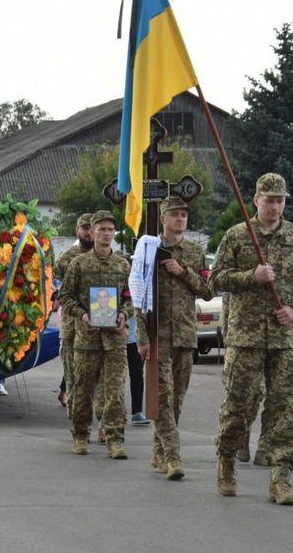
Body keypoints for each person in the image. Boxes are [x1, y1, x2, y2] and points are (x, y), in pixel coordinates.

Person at [210, 173, 293, 505]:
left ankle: (281, 478)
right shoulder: (237, 237)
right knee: (238, 406)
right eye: (269, 199)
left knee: (284, 409)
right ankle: (227, 461)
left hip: (284, 339)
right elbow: (216, 279)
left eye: (280, 200)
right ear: (255, 200)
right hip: (246, 336)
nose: (274, 206)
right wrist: (252, 276)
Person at [134, 196, 214, 480]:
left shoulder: (194, 251)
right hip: (159, 336)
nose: (181, 219)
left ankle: (158, 450)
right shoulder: (149, 250)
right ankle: (173, 457)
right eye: (175, 214)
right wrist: (142, 336)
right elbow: (139, 294)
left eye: (184, 215)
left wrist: (184, 272)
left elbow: (207, 290)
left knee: (176, 399)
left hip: (186, 335)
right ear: (163, 218)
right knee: (164, 397)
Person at [58, 210, 133, 459]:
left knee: (115, 391)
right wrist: (82, 315)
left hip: (114, 339)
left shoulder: (123, 264)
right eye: (101, 229)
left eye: (111, 229)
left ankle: (114, 439)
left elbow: (130, 298)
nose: (106, 234)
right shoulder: (79, 264)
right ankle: (80, 434)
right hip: (87, 338)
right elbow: (65, 297)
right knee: (82, 388)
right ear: (92, 232)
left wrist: (124, 314)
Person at [53, 214, 93, 411]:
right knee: (71, 371)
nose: (88, 231)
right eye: (84, 228)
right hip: (72, 324)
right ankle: (76, 413)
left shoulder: (105, 255)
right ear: (78, 231)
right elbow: (59, 280)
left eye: (91, 227)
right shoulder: (69, 256)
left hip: (96, 323)